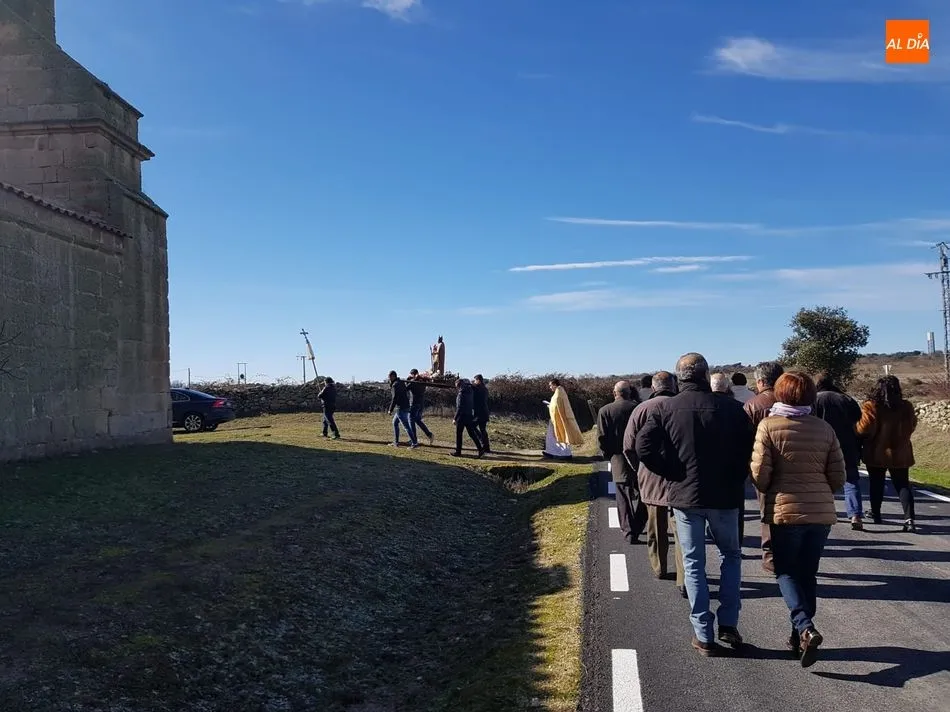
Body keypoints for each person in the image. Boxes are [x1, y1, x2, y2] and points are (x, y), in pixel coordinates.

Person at [636, 353, 754, 656]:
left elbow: (642, 447)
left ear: (679, 378)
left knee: (693, 563)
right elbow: (750, 449)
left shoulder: (665, 408)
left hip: (685, 496)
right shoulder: (733, 409)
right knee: (731, 556)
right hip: (725, 496)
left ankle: (703, 633)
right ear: (705, 375)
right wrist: (737, 475)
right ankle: (728, 623)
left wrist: (671, 472)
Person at [750, 371, 845, 667]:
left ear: (780, 394)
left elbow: (760, 474)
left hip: (785, 512)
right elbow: (838, 477)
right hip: (820, 513)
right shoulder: (824, 428)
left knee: (786, 572)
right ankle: (799, 637)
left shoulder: (769, 426)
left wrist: (770, 488)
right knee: (808, 574)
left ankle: (804, 627)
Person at [623, 371, 685, 593]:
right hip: (682, 475)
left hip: (650, 475)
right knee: (682, 530)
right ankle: (684, 577)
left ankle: (660, 567)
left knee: (656, 528)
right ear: (674, 386)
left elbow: (629, 446)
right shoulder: (682, 405)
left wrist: (639, 469)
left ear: (653, 387)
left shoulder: (642, 409)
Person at [857, 376, 918, 532]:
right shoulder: (906, 406)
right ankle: (909, 519)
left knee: (876, 483)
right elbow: (912, 425)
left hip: (876, 451)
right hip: (900, 451)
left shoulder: (871, 406)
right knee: (903, 484)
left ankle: (876, 513)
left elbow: (864, 428)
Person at [744, 360, 785, 573]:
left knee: (767, 511)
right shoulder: (794, 400)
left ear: (760, 381)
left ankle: (770, 556)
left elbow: (744, 439)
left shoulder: (752, 405)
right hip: (793, 464)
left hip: (763, 466)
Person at [598, 381, 647, 544]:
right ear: (630, 392)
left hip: (618, 457)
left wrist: (608, 455)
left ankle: (628, 530)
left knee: (623, 496)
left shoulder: (605, 411)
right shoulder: (639, 408)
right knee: (644, 494)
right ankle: (638, 524)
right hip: (640, 457)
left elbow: (602, 438)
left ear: (615, 393)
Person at [814, 372, 864, 530]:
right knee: (851, 480)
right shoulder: (846, 399)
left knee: (822, 480)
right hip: (847, 445)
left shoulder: (814, 400)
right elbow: (858, 419)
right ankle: (855, 514)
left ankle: (825, 511)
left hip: (822, 445)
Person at [543, 378, 584, 459]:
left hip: (559, 419)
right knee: (554, 436)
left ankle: (561, 454)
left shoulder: (559, 392)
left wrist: (550, 406)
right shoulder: (560, 391)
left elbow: (557, 406)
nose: (550, 387)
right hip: (557, 418)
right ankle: (552, 452)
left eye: (550, 385)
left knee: (557, 436)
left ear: (554, 385)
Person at [452, 378, 485, 458]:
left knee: (459, 434)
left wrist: (455, 418)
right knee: (472, 434)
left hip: (461, 416)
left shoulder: (461, 394)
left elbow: (459, 407)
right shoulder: (470, 392)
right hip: (469, 415)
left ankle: (458, 451)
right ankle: (480, 449)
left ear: (458, 386)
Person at [387, 370, 418, 448]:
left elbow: (394, 398)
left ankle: (414, 443)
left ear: (393, 376)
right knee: (395, 423)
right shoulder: (401, 382)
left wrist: (390, 409)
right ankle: (396, 442)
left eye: (389, 377)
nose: (389, 378)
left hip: (400, 407)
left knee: (406, 426)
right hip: (406, 405)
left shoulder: (395, 385)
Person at [406, 368, 434, 446]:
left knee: (411, 421)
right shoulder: (423, 382)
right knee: (418, 420)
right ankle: (429, 434)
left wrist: (408, 380)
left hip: (414, 404)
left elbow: (406, 389)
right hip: (421, 404)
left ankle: (414, 439)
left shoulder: (413, 382)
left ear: (413, 374)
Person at [472, 374, 491, 453]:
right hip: (484, 412)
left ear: (478, 380)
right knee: (483, 430)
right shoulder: (485, 389)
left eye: (475, 380)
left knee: (472, 426)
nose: (474, 382)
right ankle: (486, 447)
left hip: (480, 413)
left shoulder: (478, 388)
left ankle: (482, 441)